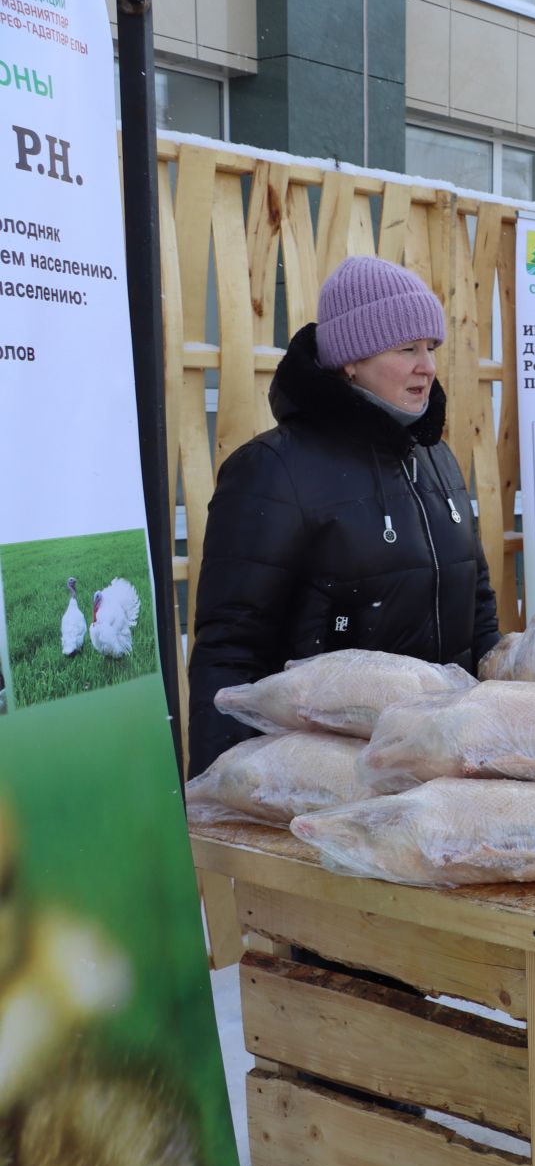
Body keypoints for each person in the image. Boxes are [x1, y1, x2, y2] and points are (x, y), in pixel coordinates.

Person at [187, 256, 500, 776]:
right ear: (350, 360)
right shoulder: (273, 470)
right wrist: (226, 800)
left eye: (431, 348)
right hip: (327, 783)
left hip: (440, 774)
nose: (427, 365)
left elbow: (480, 608)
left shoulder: (435, 457)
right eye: (407, 349)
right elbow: (231, 651)